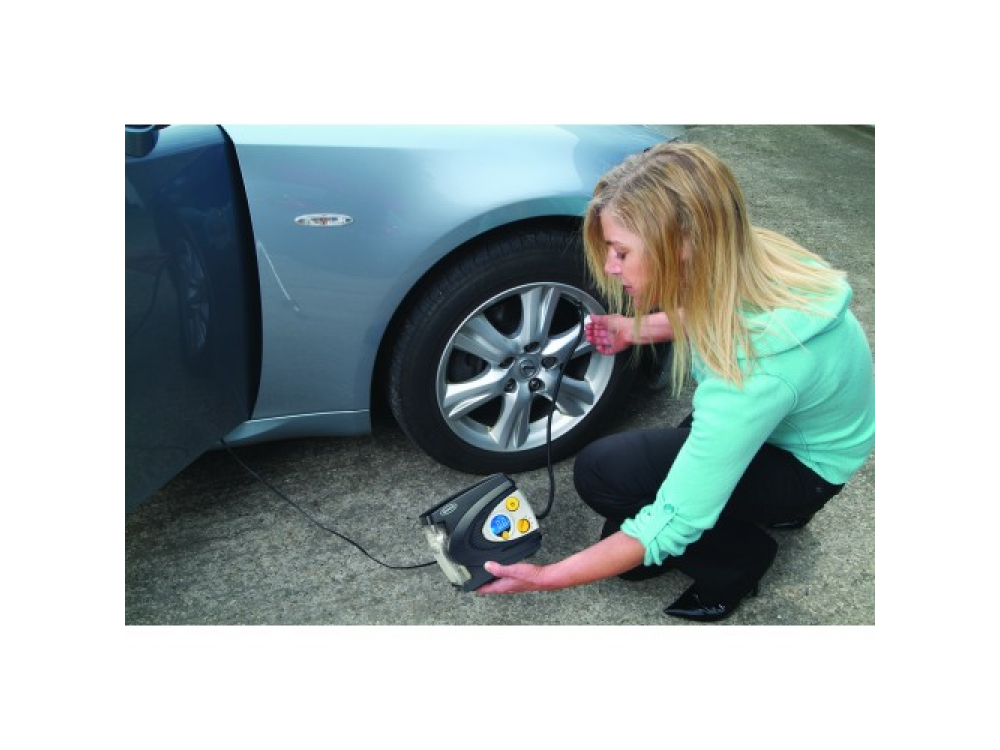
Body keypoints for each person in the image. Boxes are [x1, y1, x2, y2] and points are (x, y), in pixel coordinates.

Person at [476, 141, 875, 622]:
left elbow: (677, 520)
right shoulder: (747, 254)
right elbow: (715, 311)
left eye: (621, 251)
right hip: (802, 427)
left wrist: (547, 577)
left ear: (683, 244)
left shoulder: (754, 372)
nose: (610, 267)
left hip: (807, 466)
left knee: (602, 474)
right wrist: (636, 329)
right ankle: (769, 513)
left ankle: (742, 563)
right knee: (628, 546)